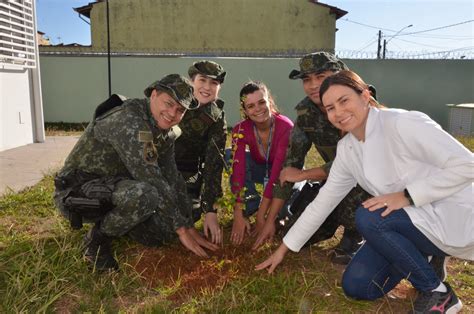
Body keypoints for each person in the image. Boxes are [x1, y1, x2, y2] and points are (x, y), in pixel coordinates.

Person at [256, 70, 473, 313]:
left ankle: (437, 293)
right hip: (414, 224)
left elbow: (468, 165)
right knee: (358, 287)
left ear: (365, 95)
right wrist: (284, 248)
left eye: (344, 100)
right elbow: (323, 203)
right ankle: (427, 257)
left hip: (453, 215)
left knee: (369, 216)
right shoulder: (348, 149)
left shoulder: (403, 123)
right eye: (330, 108)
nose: (338, 112)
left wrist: (407, 196)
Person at [54, 74, 219, 272]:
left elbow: (172, 178)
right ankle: (96, 241)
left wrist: (189, 225)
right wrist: (181, 228)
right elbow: (151, 178)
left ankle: (121, 223)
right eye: (168, 103)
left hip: (118, 187)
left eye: (180, 110)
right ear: (154, 94)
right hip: (79, 193)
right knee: (146, 195)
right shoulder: (129, 120)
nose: (172, 113)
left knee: (165, 233)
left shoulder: (165, 130)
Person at [253, 52, 371, 265]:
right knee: (291, 234)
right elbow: (291, 166)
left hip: (368, 182)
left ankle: (356, 233)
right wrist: (270, 219)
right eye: (307, 79)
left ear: (338, 75)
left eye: (320, 76)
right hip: (334, 183)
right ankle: (332, 218)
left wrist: (305, 174)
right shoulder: (307, 112)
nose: (313, 85)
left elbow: (358, 160)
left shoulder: (358, 103)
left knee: (352, 197)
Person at [228, 81, 294, 245]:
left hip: (286, 173)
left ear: (269, 101)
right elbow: (238, 170)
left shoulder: (285, 126)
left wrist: (262, 216)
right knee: (230, 154)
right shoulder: (240, 129)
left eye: (261, 102)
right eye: (250, 106)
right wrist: (238, 213)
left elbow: (277, 171)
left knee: (285, 215)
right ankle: (251, 205)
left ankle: (266, 211)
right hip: (260, 168)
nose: (257, 109)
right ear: (245, 110)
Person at [174, 60, 227, 245]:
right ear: (191, 81)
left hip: (186, 175)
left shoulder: (216, 118)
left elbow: (214, 164)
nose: (207, 87)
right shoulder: (174, 99)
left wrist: (211, 210)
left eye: (214, 83)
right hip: (155, 169)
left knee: (190, 212)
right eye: (202, 80)